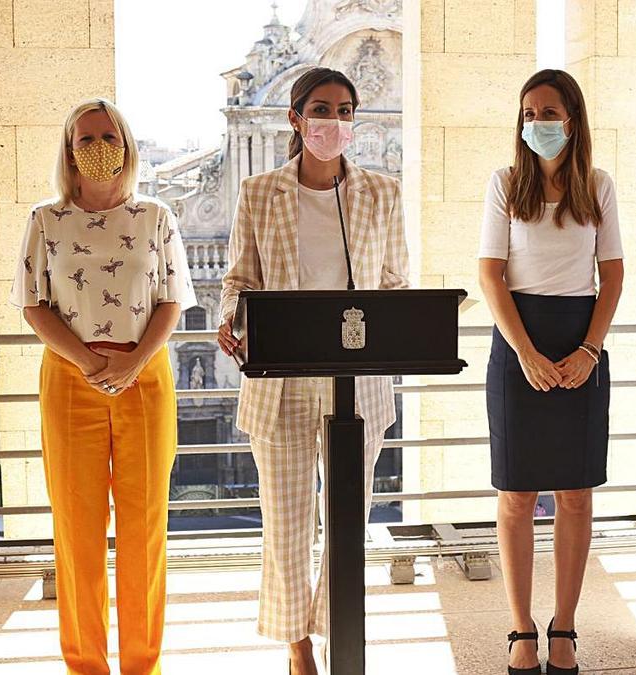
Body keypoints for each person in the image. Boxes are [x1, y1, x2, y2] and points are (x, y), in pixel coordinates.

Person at [216, 67, 409, 675]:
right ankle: (297, 645)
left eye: (346, 110)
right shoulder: (258, 192)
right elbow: (240, 281)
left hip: (358, 388)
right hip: (283, 382)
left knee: (349, 521)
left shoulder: (383, 193)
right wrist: (232, 320)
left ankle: (337, 629)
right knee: (287, 524)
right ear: (296, 119)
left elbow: (395, 284)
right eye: (322, 109)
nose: (335, 121)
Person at [9, 98, 197, 675]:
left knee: (145, 530)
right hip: (70, 379)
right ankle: (85, 666)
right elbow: (32, 304)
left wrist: (135, 360)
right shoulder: (47, 220)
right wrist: (88, 360)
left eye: (107, 137)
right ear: (69, 150)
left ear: (127, 145)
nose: (97, 149)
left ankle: (144, 666)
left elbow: (173, 300)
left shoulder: (156, 217)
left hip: (146, 379)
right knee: (78, 529)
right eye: (85, 140)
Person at [478, 69, 624, 675]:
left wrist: (588, 352)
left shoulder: (599, 186)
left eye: (549, 112)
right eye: (529, 112)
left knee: (576, 495)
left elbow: (612, 275)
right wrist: (526, 353)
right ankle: (521, 628)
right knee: (515, 495)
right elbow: (490, 274)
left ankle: (564, 625)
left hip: (580, 340)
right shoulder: (506, 184)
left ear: (573, 119)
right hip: (519, 341)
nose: (538, 122)